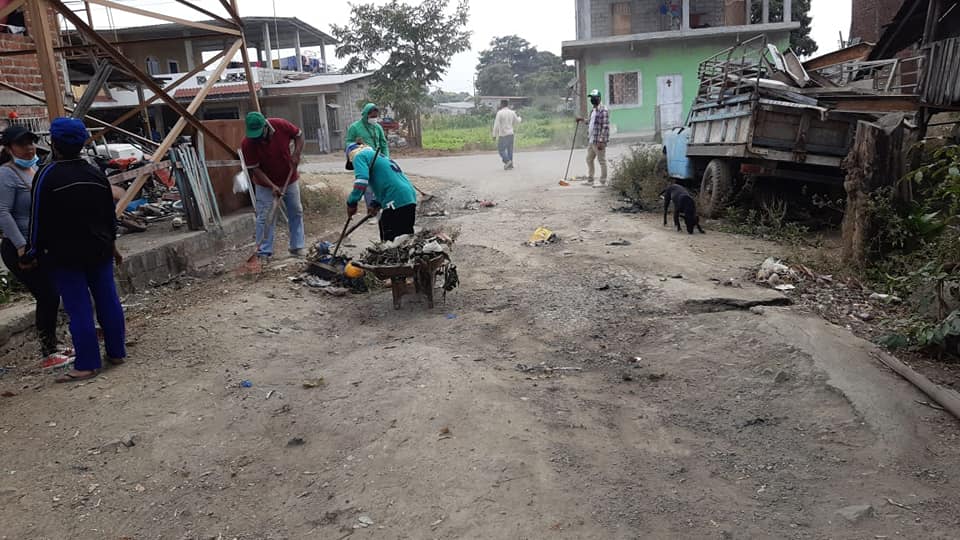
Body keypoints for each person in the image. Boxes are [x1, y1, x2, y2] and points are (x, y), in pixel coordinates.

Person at [24, 117, 126, 383]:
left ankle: (87, 364)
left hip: (65, 254)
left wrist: (32, 252)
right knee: (108, 300)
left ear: (54, 143)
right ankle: (117, 352)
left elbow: (37, 219)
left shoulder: (47, 175)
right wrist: (113, 246)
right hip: (100, 249)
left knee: (79, 308)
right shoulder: (95, 173)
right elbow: (110, 216)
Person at [0, 125, 72, 369]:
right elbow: (3, 213)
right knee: (47, 294)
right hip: (20, 248)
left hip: (40, 246)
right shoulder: (6, 174)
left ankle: (54, 345)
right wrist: (21, 246)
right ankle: (48, 351)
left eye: (31, 142)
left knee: (53, 293)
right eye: (22, 144)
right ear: (9, 149)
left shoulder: (34, 170)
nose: (29, 148)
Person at [241, 112, 306, 261]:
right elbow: (255, 169)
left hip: (289, 177)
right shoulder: (248, 143)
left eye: (259, 134)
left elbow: (299, 135)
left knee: (296, 211)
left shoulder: (281, 125)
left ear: (266, 126)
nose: (256, 138)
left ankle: (297, 246)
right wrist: (272, 186)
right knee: (264, 216)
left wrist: (296, 153)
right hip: (264, 183)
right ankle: (264, 251)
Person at [345, 143, 417, 242]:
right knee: (405, 239)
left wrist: (352, 203)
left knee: (390, 241)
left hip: (395, 198)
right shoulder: (379, 156)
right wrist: (375, 204)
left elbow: (361, 181)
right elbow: (386, 182)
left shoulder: (359, 156)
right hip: (408, 197)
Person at [577, 89, 610, 186]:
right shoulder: (593, 110)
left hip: (598, 141)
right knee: (589, 159)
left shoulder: (603, 110)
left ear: (599, 98)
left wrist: (601, 141)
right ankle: (590, 180)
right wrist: (582, 119)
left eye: (594, 98)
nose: (592, 99)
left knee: (601, 161)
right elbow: (590, 122)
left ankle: (603, 182)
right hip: (592, 140)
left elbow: (605, 126)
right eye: (591, 98)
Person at [492, 100, 522, 170]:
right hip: (511, 134)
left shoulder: (499, 113)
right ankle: (510, 165)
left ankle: (507, 161)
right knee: (510, 150)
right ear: (507, 105)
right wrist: (520, 118)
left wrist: (494, 135)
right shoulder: (512, 112)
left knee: (501, 150)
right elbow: (517, 121)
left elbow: (496, 125)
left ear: (502, 104)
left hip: (503, 135)